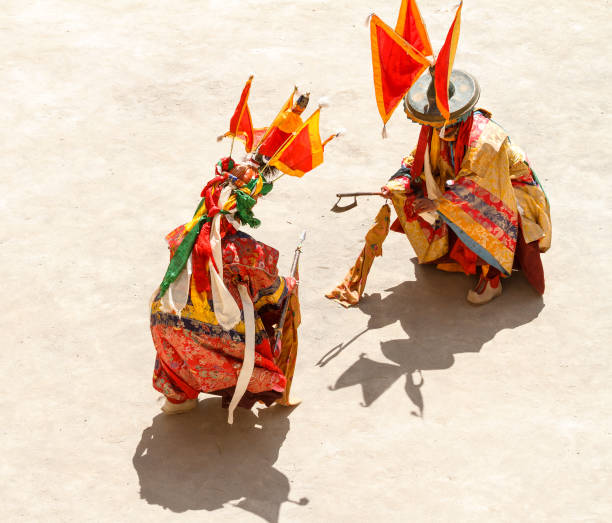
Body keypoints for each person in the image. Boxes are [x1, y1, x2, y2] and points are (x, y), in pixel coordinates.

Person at [328, 67, 551, 306]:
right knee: (414, 191)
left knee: (481, 210)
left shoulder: (485, 141)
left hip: (502, 188)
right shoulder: (437, 127)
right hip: (460, 180)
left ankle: (492, 279)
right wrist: (397, 182)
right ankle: (450, 253)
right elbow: (418, 159)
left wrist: (436, 202)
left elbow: (477, 185)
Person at [150, 157, 300, 422]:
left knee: (172, 326)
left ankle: (178, 397)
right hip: (220, 327)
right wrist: (289, 285)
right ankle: (271, 386)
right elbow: (272, 294)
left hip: (167, 319)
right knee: (283, 308)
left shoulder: (182, 235)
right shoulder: (246, 251)